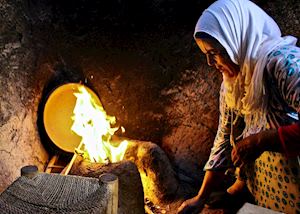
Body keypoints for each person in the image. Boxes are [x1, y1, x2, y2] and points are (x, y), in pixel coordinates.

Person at [177, 0, 300, 213]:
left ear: (236, 39)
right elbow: (223, 139)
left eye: (215, 52)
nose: (210, 62)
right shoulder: (232, 85)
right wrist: (200, 198)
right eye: (206, 54)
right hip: (269, 199)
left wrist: (261, 141)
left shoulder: (283, 64)